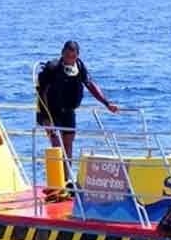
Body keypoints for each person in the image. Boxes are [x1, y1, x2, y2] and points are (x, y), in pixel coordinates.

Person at [37, 40, 119, 191]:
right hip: (51, 111)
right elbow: (42, 93)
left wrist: (107, 103)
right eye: (67, 56)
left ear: (77, 56)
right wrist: (46, 117)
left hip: (69, 111)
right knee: (57, 145)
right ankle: (57, 183)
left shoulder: (79, 66)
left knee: (68, 144)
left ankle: (67, 180)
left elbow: (90, 85)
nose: (70, 59)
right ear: (62, 53)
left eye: (73, 56)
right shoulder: (53, 68)